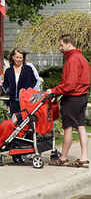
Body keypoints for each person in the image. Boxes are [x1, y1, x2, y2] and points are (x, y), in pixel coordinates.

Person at [47, 34, 91, 167]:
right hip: (82, 96)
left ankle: (63, 157)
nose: (60, 48)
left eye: (61, 45)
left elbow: (70, 84)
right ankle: (84, 158)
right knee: (81, 126)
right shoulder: (82, 58)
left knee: (68, 127)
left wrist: (53, 90)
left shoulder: (72, 59)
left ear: (68, 44)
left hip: (73, 97)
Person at [3, 48, 37, 114]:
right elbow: (5, 83)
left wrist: (28, 90)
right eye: (17, 57)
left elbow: (34, 81)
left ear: (23, 59)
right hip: (13, 101)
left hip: (25, 100)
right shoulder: (8, 71)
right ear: (13, 57)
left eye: (21, 58)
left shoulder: (28, 69)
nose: (18, 59)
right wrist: (8, 90)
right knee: (14, 120)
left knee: (24, 120)